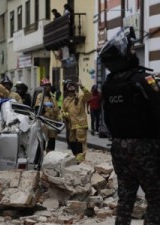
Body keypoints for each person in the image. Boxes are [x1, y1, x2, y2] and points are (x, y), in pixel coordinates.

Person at [100, 26, 160, 225]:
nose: (134, 53)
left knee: (126, 197)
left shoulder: (108, 85)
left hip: (119, 147)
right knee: (156, 198)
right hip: (145, 146)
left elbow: (106, 118)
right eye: (132, 50)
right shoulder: (142, 80)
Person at [61, 80, 91, 163]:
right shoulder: (66, 100)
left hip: (80, 124)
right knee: (71, 142)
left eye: (72, 87)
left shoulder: (80, 97)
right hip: (71, 125)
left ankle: (80, 161)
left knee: (80, 142)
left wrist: (82, 87)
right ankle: (76, 156)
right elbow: (62, 111)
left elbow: (89, 96)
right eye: (69, 87)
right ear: (66, 90)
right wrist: (65, 114)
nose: (71, 89)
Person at [35, 78, 60, 153]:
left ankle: (50, 155)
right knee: (42, 140)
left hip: (52, 122)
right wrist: (44, 105)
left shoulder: (52, 97)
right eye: (45, 86)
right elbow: (37, 107)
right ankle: (41, 156)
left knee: (52, 140)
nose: (47, 87)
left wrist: (58, 119)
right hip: (44, 121)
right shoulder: (40, 96)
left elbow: (56, 109)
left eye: (48, 85)